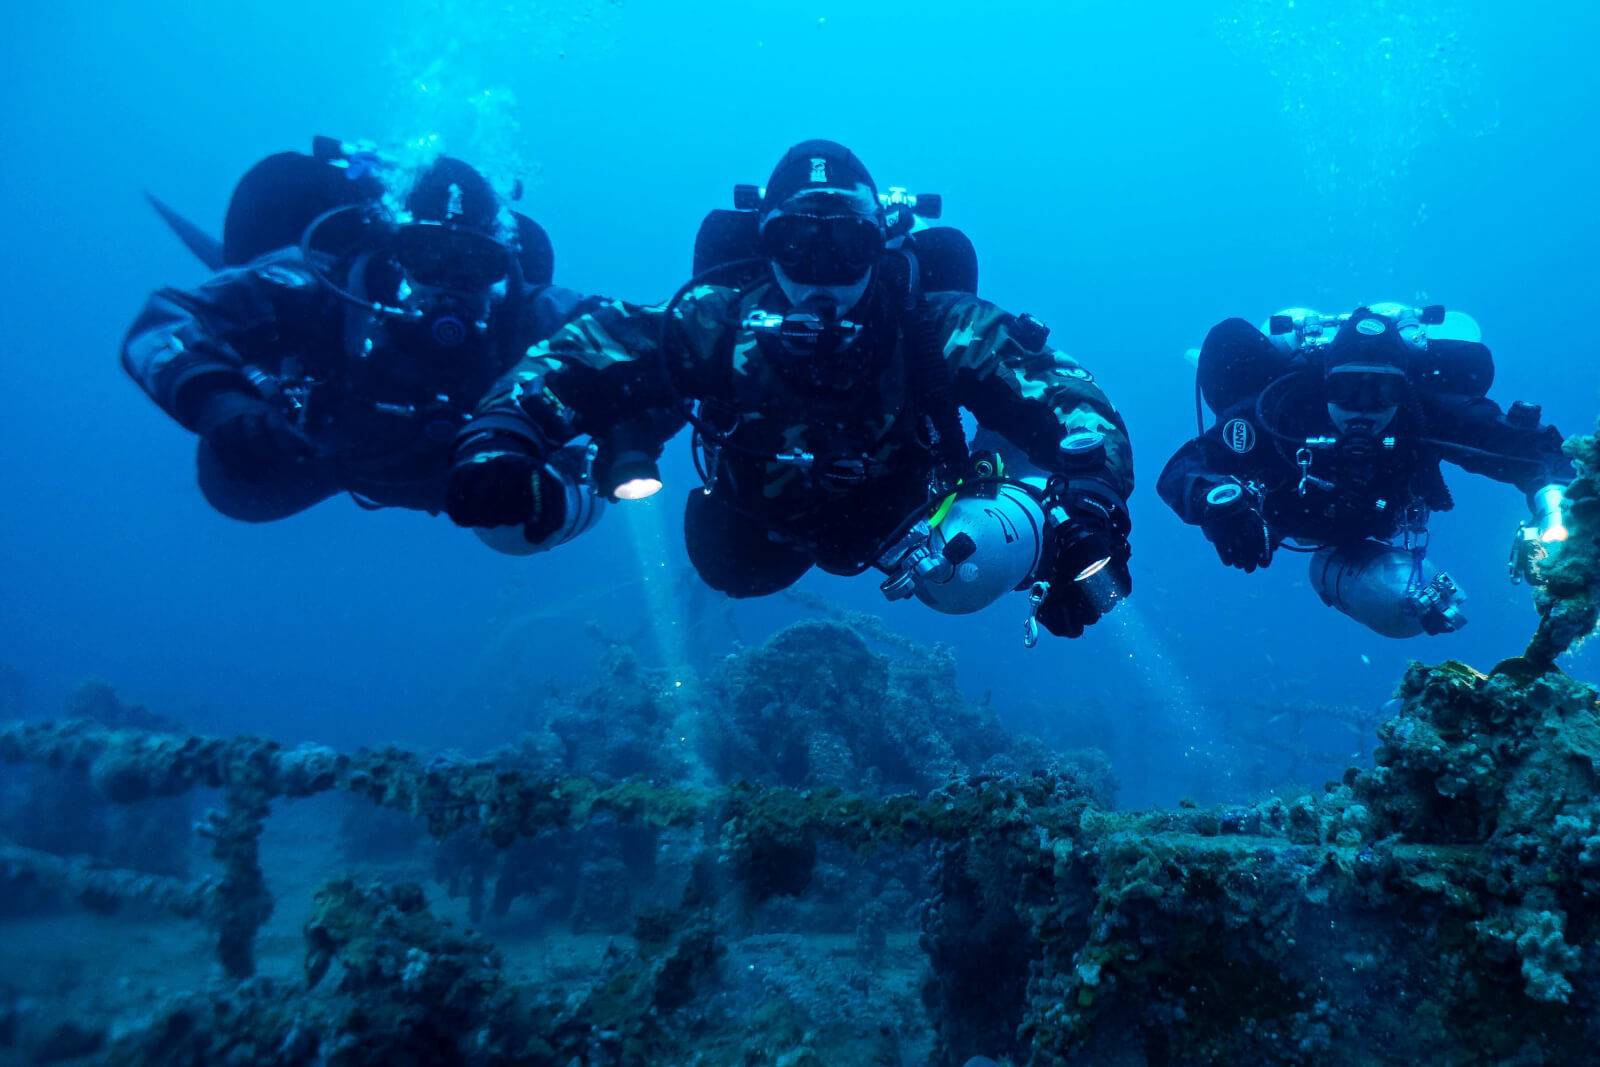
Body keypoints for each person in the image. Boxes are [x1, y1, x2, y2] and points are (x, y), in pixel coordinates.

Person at [444, 140, 1134, 640]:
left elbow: (1065, 389)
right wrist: (501, 434)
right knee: (730, 568)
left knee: (971, 574)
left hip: (916, 522)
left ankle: (1032, 530)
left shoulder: (930, 323)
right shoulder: (716, 319)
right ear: (765, 248)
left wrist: (1092, 503)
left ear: (880, 247)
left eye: (848, 248)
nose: (823, 275)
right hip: (757, 521)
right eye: (799, 247)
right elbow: (585, 346)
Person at [122, 137, 605, 551]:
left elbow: (623, 329)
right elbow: (164, 321)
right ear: (394, 251)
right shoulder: (313, 283)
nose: (451, 287)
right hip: (314, 451)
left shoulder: (526, 314)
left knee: (529, 524)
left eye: (476, 265)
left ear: (502, 270)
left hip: (470, 478)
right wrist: (218, 403)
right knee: (235, 491)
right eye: (428, 255)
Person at [1157, 304, 1574, 637]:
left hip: (1374, 518)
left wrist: (1553, 513)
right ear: (1324, 384)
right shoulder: (1281, 408)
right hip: (1293, 514)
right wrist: (1218, 506)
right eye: (1347, 390)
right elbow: (1184, 468)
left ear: (1404, 390)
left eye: (1382, 391)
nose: (1363, 408)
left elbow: (1536, 453)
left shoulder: (1424, 412)